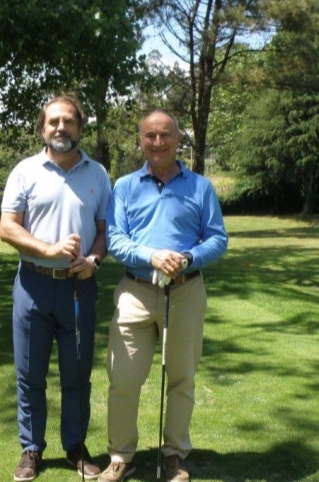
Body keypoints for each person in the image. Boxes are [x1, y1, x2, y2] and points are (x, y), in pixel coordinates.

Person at [98, 111, 229, 482]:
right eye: (150, 136)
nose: (158, 142)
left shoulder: (201, 187)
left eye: (165, 135)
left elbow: (218, 238)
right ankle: (121, 457)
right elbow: (116, 240)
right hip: (136, 291)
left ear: (177, 139)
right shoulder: (124, 186)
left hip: (186, 291)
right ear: (140, 140)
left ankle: (174, 455)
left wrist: (188, 257)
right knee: (122, 377)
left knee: (182, 378)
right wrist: (151, 255)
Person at [0, 95, 111, 482]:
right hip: (32, 286)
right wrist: (48, 249)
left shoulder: (98, 173)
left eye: (69, 121)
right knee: (29, 374)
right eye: (53, 122)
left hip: (80, 289)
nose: (61, 128)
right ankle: (31, 449)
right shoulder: (25, 171)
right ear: (42, 128)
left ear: (80, 127)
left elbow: (103, 232)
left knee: (77, 375)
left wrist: (93, 261)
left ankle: (76, 447)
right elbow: (7, 227)